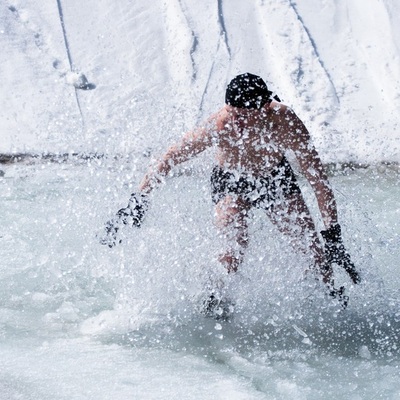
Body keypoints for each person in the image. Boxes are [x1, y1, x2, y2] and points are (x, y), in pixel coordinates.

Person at [101, 73, 360, 310]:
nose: (235, 122)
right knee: (233, 246)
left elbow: (319, 183)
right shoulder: (220, 124)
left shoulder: (285, 123)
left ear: (262, 108)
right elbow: (172, 156)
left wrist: (334, 238)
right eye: (231, 112)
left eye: (242, 116)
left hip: (275, 178)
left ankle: (334, 300)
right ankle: (213, 302)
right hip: (230, 180)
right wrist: (138, 200)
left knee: (314, 254)